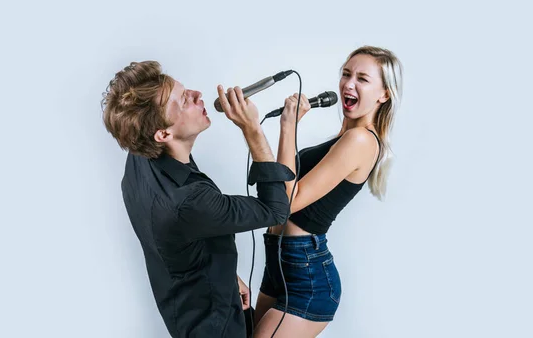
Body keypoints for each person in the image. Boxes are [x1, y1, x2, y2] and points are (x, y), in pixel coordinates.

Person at [101, 61, 295, 338]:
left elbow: (181, 239)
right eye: (183, 100)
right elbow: (276, 210)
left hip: (186, 313)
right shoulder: (190, 202)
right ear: (163, 134)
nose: (197, 94)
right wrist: (252, 129)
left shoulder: (140, 155)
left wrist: (226, 276)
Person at [253, 46, 404, 337]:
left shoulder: (361, 140)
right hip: (279, 261)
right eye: (346, 74)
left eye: (363, 78)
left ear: (384, 94)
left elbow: (288, 201)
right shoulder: (344, 138)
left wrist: (288, 126)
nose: (349, 83)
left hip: (306, 275)